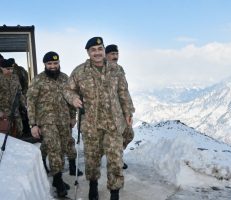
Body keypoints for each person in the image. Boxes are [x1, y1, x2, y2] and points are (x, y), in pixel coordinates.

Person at [63, 37, 135, 200]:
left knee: (116, 160)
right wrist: (73, 98)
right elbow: (67, 89)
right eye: (93, 50)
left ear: (103, 50)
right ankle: (93, 186)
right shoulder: (80, 71)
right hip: (91, 124)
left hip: (114, 123)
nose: (97, 52)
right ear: (88, 52)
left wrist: (128, 113)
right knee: (92, 159)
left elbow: (123, 92)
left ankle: (114, 193)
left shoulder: (116, 69)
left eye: (100, 49)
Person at [27, 51, 81, 197]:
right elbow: (31, 102)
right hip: (46, 121)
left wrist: (72, 117)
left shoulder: (65, 78)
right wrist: (33, 124)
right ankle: (58, 182)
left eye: (55, 63)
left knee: (63, 147)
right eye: (49, 64)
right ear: (45, 64)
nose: (52, 66)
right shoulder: (38, 80)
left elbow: (71, 99)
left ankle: (48, 164)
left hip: (63, 121)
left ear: (59, 63)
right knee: (55, 149)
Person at [105, 44, 135, 170]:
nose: (115, 56)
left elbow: (124, 91)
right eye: (112, 54)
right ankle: (115, 157)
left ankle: (116, 154)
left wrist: (128, 111)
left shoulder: (119, 69)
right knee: (113, 138)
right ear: (106, 55)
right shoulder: (102, 69)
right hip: (106, 113)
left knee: (129, 134)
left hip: (120, 110)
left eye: (116, 54)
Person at [0, 59, 25, 137]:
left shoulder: (15, 77)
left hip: (15, 112)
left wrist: (25, 106)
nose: (10, 71)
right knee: (4, 136)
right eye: (7, 69)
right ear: (1, 68)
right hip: (3, 113)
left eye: (11, 69)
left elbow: (19, 93)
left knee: (19, 132)